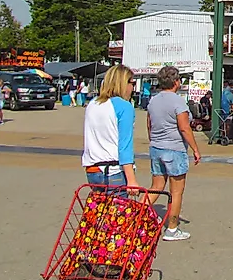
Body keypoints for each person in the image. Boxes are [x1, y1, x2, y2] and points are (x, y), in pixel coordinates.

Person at [147, 66, 202, 242]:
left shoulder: (153, 101)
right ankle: (172, 229)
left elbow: (149, 125)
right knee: (176, 191)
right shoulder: (178, 102)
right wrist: (195, 148)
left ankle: (137, 214)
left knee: (156, 186)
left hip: (156, 147)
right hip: (174, 148)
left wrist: (154, 141)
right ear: (176, 82)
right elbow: (184, 127)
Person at [81, 65, 140, 193]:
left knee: (99, 205)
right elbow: (125, 145)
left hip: (92, 169)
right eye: (132, 83)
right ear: (123, 83)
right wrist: (131, 180)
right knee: (118, 206)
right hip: (113, 171)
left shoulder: (93, 104)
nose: (133, 88)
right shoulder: (124, 107)